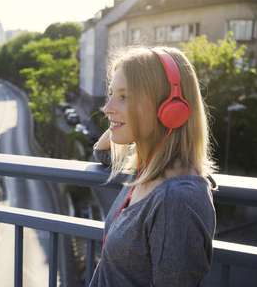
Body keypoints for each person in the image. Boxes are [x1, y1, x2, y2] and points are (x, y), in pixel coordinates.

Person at [89, 46, 218, 286]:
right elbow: (101, 152)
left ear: (170, 110)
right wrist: (121, 121)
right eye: (111, 94)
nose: (107, 108)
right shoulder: (146, 166)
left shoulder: (178, 199)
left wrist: (129, 121)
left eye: (125, 96)